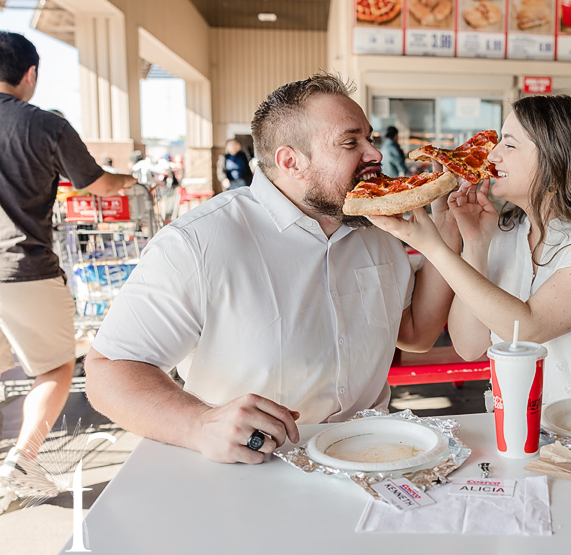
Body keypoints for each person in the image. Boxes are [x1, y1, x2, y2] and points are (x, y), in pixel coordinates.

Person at [84, 73, 458, 465]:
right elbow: (109, 369)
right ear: (290, 161)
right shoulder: (199, 242)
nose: (374, 154)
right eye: (351, 142)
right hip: (253, 467)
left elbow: (415, 334)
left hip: (376, 458)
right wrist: (198, 424)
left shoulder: (378, 230)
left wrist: (447, 231)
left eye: (370, 139)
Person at [369, 94, 571, 404]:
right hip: (519, 434)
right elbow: (469, 347)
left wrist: (433, 247)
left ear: (557, 159)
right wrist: (474, 244)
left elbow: (528, 327)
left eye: (509, 145)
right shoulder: (507, 231)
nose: (493, 156)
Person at [0, 32, 135, 511]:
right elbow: (98, 183)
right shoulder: (42, 125)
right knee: (54, 367)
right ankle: (22, 460)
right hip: (22, 268)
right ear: (30, 74)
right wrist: (132, 179)